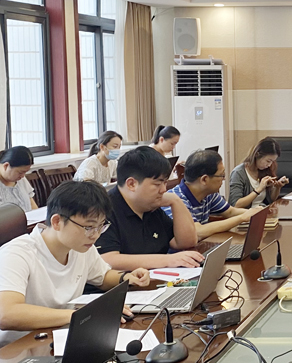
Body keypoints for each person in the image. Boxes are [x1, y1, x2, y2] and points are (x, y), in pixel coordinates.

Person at [0, 181, 150, 347]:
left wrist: (126, 277)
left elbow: (103, 277)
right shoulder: (17, 253)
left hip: (59, 336)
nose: (95, 235)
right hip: (17, 349)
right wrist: (81, 315)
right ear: (57, 222)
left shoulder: (80, 247)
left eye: (100, 226)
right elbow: (7, 314)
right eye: (89, 227)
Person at [96, 146, 203, 270]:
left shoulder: (149, 205)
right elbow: (108, 260)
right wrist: (168, 260)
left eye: (165, 183)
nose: (164, 190)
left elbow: (186, 242)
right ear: (131, 184)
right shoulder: (103, 210)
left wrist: (176, 201)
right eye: (157, 184)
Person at [163, 149, 264, 239]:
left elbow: (230, 211)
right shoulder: (176, 199)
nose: (224, 179)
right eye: (222, 175)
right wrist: (241, 218)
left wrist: (254, 212)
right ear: (204, 179)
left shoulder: (208, 194)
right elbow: (197, 232)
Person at [229, 137, 289, 208]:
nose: (269, 165)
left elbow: (270, 200)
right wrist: (259, 189)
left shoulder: (264, 170)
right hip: (246, 213)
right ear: (257, 155)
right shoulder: (238, 173)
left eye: (272, 161)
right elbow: (236, 204)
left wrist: (277, 187)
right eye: (268, 161)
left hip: (262, 210)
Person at [0, 146, 38, 212]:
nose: (23, 176)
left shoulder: (19, 179)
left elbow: (31, 202)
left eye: (25, 172)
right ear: (6, 166)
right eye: (20, 172)